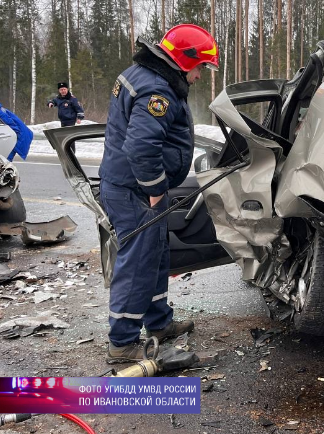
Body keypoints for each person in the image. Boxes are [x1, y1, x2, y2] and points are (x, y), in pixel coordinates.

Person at [99, 24, 219, 362]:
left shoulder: (142, 74)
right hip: (135, 190)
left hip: (133, 184)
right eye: (200, 68)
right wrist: (154, 191)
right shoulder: (158, 91)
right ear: (184, 60)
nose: (200, 76)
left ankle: (159, 323)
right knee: (138, 262)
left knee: (155, 256)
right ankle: (122, 343)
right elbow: (141, 146)